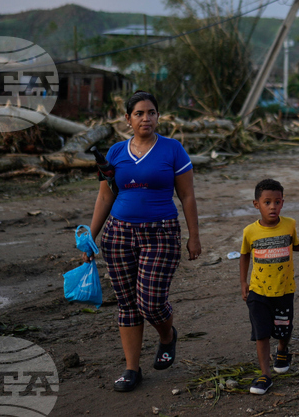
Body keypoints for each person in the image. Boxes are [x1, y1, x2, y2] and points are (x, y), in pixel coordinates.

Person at [84, 91, 202, 393]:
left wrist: (193, 237)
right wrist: (90, 238)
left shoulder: (173, 150)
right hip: (118, 234)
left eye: (151, 112)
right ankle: (131, 369)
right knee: (127, 304)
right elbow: (105, 195)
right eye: (139, 113)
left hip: (161, 233)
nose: (145, 118)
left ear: (158, 116)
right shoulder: (114, 153)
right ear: (127, 119)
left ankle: (166, 336)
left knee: (150, 302)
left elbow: (187, 195)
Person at [240, 178, 299, 395]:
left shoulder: (290, 224)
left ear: (283, 203)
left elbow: (296, 245)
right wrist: (243, 282)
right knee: (261, 332)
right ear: (257, 204)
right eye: (267, 202)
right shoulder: (250, 231)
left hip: (284, 290)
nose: (273, 207)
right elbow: (244, 256)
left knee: (284, 328)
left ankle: (282, 349)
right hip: (258, 291)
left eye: (277, 202)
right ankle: (265, 374)